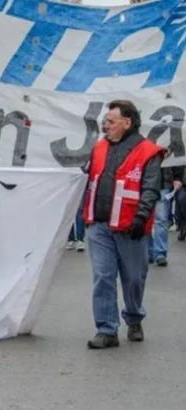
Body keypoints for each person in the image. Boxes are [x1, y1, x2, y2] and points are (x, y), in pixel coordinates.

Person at [83, 100, 163, 349]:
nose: (105, 125)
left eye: (111, 121)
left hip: (131, 228)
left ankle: (134, 317)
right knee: (103, 277)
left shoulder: (148, 152)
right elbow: (87, 178)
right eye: (105, 121)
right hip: (99, 225)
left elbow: (151, 188)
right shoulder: (99, 148)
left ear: (127, 123)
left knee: (134, 279)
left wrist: (141, 218)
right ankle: (106, 329)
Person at [147, 165, 183, 266]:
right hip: (144, 183)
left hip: (163, 184)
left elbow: (175, 157)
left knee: (161, 219)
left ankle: (160, 253)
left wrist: (177, 178)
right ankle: (149, 251)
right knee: (146, 219)